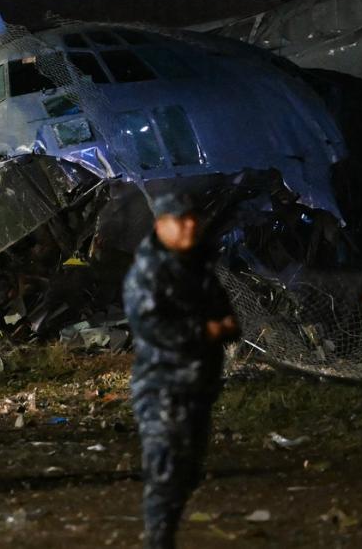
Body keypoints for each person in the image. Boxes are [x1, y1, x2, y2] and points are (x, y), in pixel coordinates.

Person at [122, 192, 239, 549]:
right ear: (161, 225)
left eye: (193, 218)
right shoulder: (150, 271)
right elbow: (152, 327)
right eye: (180, 219)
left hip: (197, 384)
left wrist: (222, 326)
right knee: (166, 472)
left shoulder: (197, 265)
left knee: (187, 472)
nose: (190, 225)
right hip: (163, 387)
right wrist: (206, 331)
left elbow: (224, 311)